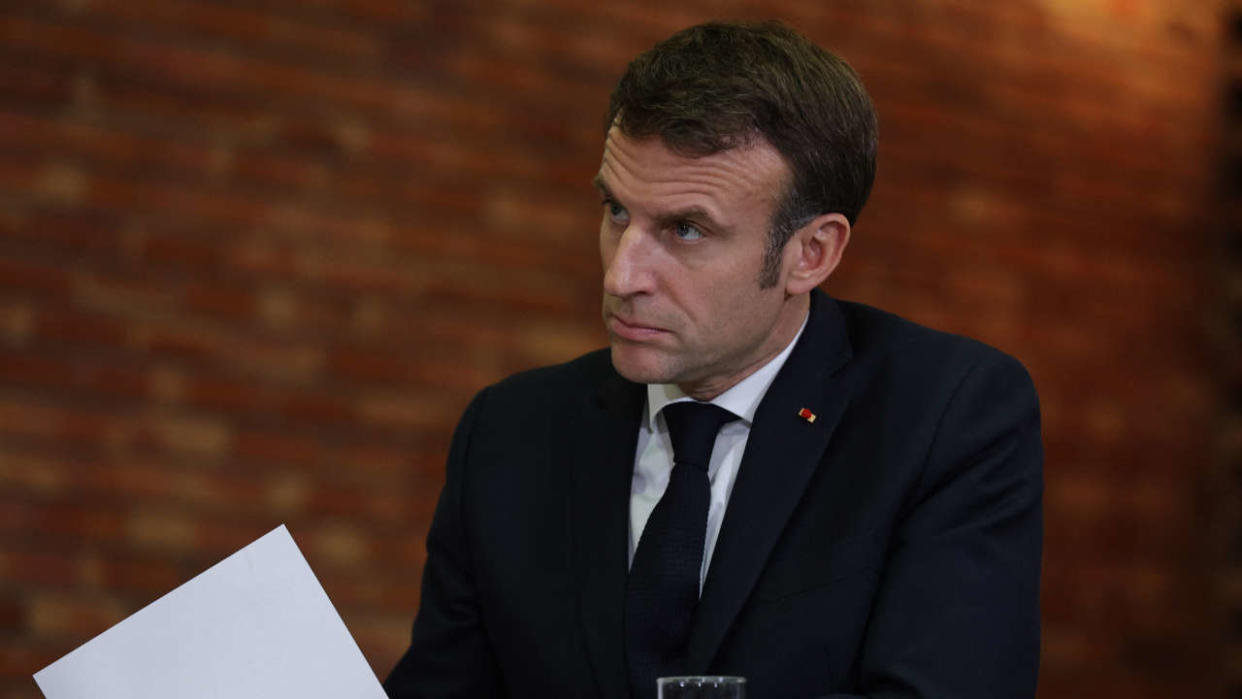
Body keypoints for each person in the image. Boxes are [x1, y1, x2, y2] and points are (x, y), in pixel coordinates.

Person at [383, 20, 1042, 699]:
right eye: (615, 211)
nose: (622, 275)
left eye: (686, 229)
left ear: (810, 254)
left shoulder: (943, 416)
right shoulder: (512, 431)